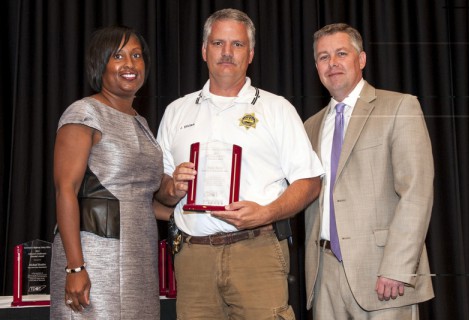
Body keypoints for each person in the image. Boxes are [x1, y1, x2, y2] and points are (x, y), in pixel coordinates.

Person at [155, 8, 323, 320]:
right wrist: (172, 186)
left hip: (256, 252)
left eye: (237, 45)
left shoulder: (277, 109)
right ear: (204, 50)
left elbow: (310, 182)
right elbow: (160, 195)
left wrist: (266, 213)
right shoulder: (176, 112)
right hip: (193, 258)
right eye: (218, 43)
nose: (227, 53)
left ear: (251, 53)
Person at [303, 23, 434, 319]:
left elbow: (417, 192)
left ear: (361, 59)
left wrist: (397, 268)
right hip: (325, 274)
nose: (332, 63)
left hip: (383, 274)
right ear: (316, 66)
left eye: (341, 53)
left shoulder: (399, 106)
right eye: (323, 57)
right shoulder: (310, 126)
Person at [50, 26, 165, 319]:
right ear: (100, 63)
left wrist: (186, 205)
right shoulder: (84, 113)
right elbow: (66, 190)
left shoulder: (141, 122)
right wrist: (75, 267)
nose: (130, 64)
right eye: (118, 56)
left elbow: (140, 198)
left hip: (139, 257)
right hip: (94, 258)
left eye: (136, 55)